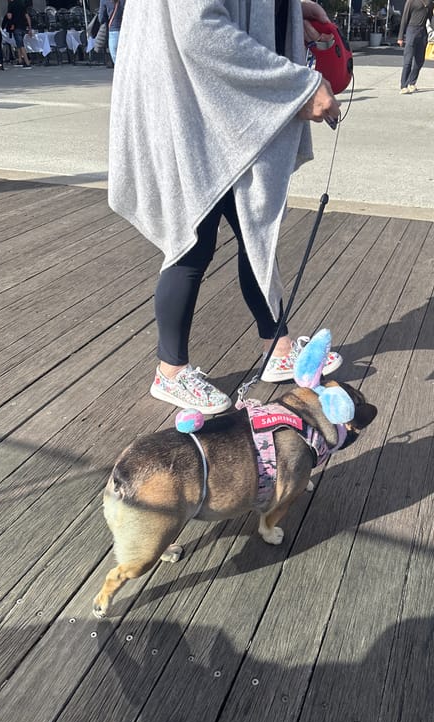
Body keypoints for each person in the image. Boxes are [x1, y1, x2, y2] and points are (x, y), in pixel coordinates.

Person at [108, 1, 343, 414]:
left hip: (228, 112)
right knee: (192, 240)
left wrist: (288, 11)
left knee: (255, 228)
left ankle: (278, 347)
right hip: (195, 110)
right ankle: (171, 372)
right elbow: (200, 30)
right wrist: (299, 85)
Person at [397, 0, 434, 94]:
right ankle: (403, 86)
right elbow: (404, 18)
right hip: (411, 30)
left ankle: (412, 82)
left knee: (420, 60)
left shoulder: (429, 3)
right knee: (408, 60)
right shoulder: (411, 1)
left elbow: (432, 19)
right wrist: (400, 37)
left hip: (423, 32)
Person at [4, 0, 33, 68]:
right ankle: (20, 60)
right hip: (23, 26)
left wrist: (11, 23)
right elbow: (27, 16)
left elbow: (9, 16)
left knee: (20, 44)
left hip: (16, 27)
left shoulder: (11, 4)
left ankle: (27, 62)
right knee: (18, 44)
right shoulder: (22, 4)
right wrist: (30, 28)